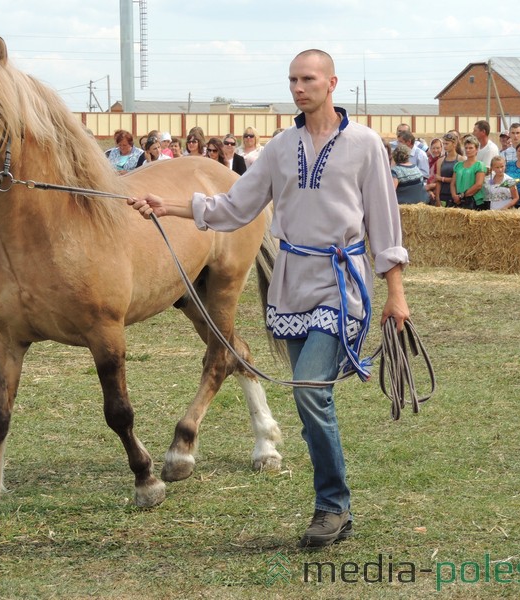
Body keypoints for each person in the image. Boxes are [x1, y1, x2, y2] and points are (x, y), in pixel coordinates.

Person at [128, 49, 409, 549]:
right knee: (310, 400)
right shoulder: (281, 147)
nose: (299, 88)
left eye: (309, 79)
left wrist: (397, 295)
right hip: (290, 282)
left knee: (308, 391)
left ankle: (332, 505)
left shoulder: (365, 144)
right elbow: (234, 206)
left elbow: (386, 223)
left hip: (341, 288)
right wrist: (165, 205)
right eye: (293, 80)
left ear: (332, 83)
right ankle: (333, 501)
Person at [451, 135, 486, 210]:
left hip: (473, 202)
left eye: (471, 148)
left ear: (476, 149)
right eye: (466, 148)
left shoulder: (479, 165)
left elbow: (478, 185)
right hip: (458, 201)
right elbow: (453, 183)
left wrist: (461, 196)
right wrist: (455, 196)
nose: (468, 150)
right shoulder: (458, 165)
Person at [435, 132, 462, 207]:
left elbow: (458, 179)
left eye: (447, 144)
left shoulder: (461, 159)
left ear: (454, 144)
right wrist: (437, 198)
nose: (445, 146)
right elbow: (437, 181)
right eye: (443, 144)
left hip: (456, 195)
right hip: (443, 194)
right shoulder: (440, 160)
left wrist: (442, 179)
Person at [425, 137, 443, 204]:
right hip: (427, 190)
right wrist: (428, 190)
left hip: (440, 190)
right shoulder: (427, 160)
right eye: (433, 148)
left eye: (438, 148)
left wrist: (430, 186)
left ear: (442, 148)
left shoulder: (444, 161)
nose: (435, 150)